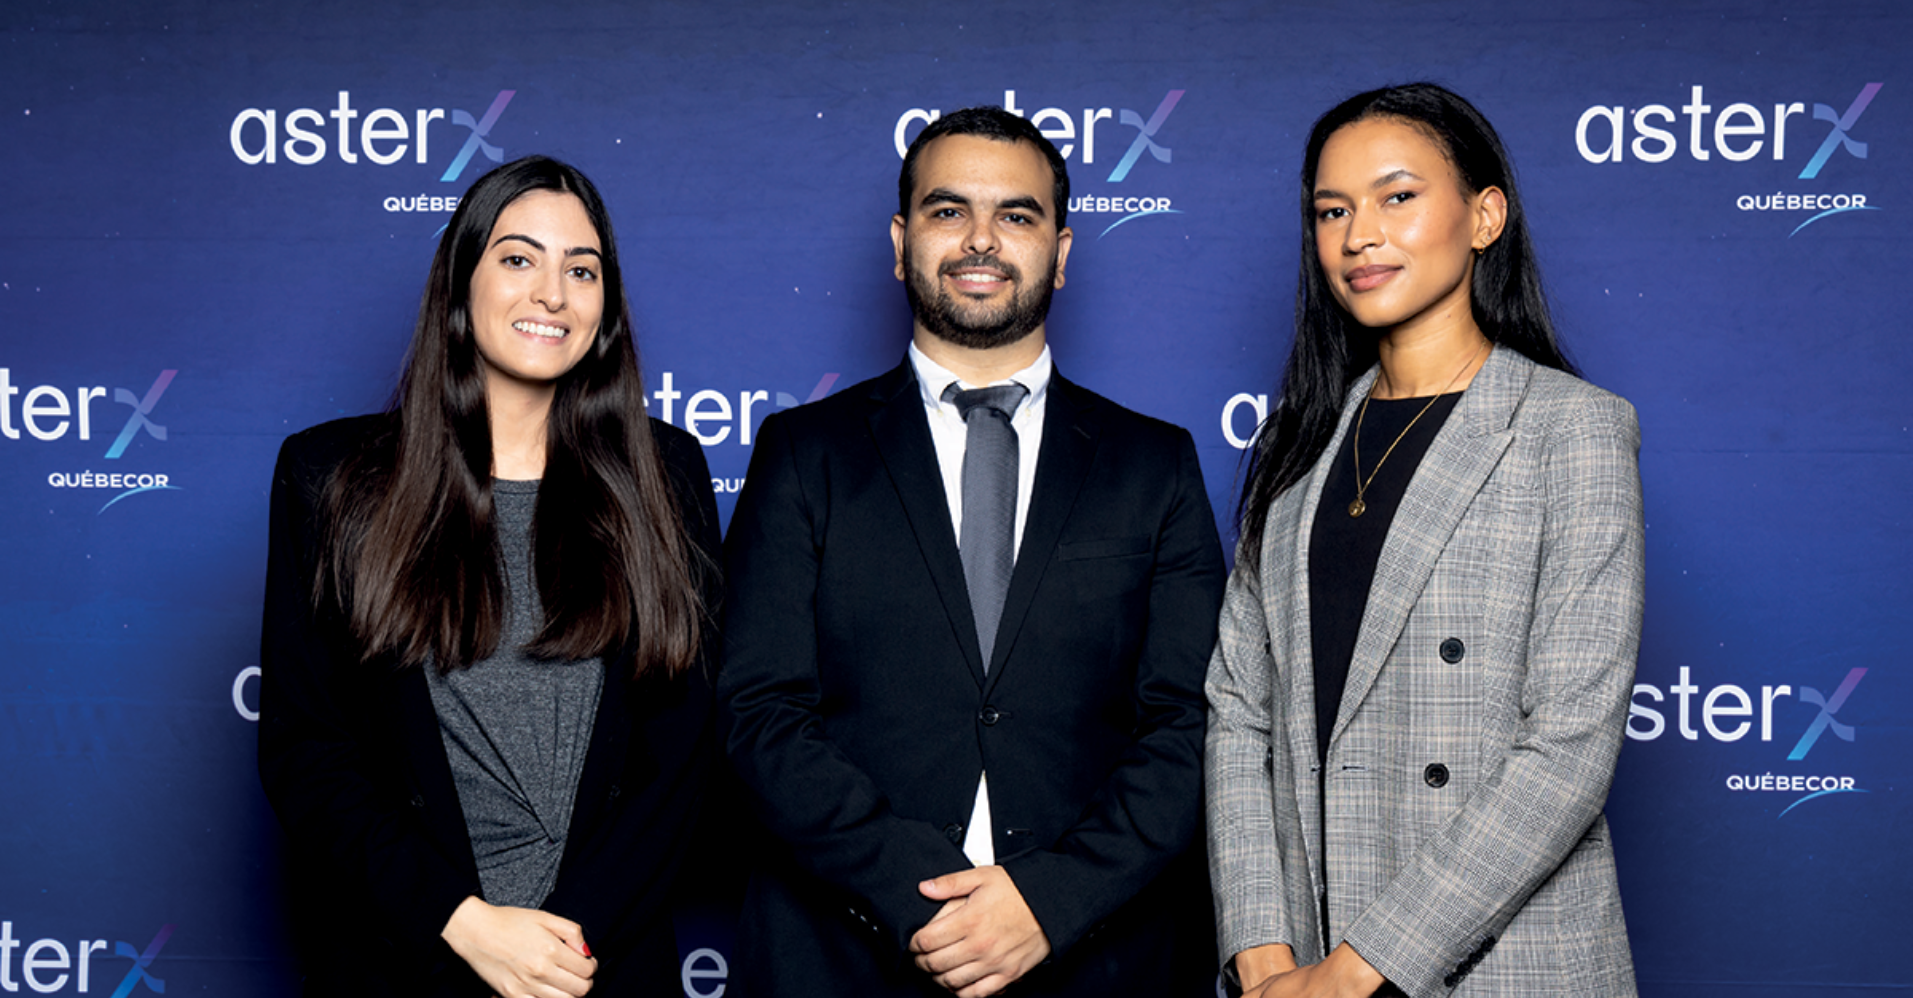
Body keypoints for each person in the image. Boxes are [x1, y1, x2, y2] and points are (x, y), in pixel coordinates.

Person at [720, 106, 1226, 997]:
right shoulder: (804, 453)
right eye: (948, 211)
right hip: (845, 955)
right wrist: (927, 900)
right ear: (900, 239)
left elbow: (1191, 723)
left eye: (1017, 215)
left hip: (1094, 956)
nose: (980, 240)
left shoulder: (1154, 464)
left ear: (1062, 253)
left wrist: (1045, 901)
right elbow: (759, 711)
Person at [1205, 83, 1643, 997]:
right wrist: (1262, 951)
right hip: (1298, 957)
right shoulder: (1298, 439)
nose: (1358, 234)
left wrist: (1359, 970)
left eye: (1396, 197)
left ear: (1484, 216)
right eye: (1332, 210)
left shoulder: (1570, 429)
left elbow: (1566, 747)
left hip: (1495, 963)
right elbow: (1241, 711)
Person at [257, 155, 720, 998]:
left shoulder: (666, 473)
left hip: (601, 966)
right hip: (407, 957)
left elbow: (681, 752)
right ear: (458, 284)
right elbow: (308, 752)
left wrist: (564, 948)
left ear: (605, 307)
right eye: (518, 258)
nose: (552, 293)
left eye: (582, 270)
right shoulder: (332, 476)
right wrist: (462, 924)